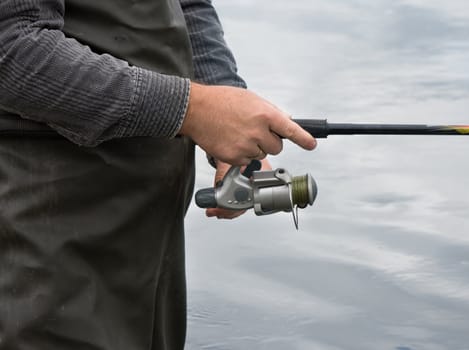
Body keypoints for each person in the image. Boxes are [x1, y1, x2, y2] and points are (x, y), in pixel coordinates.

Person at [0, 0, 316, 349]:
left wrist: (226, 104)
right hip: (46, 251)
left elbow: (190, 5)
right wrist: (194, 110)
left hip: (152, 249)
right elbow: (11, 48)